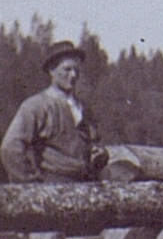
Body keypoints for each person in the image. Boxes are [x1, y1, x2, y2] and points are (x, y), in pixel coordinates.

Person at [1, 41, 109, 183]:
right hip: (54, 184)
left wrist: (99, 153)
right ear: (51, 71)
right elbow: (10, 148)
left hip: (86, 184)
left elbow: (94, 143)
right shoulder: (36, 106)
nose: (73, 75)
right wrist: (31, 182)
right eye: (67, 69)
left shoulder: (83, 107)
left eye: (76, 70)